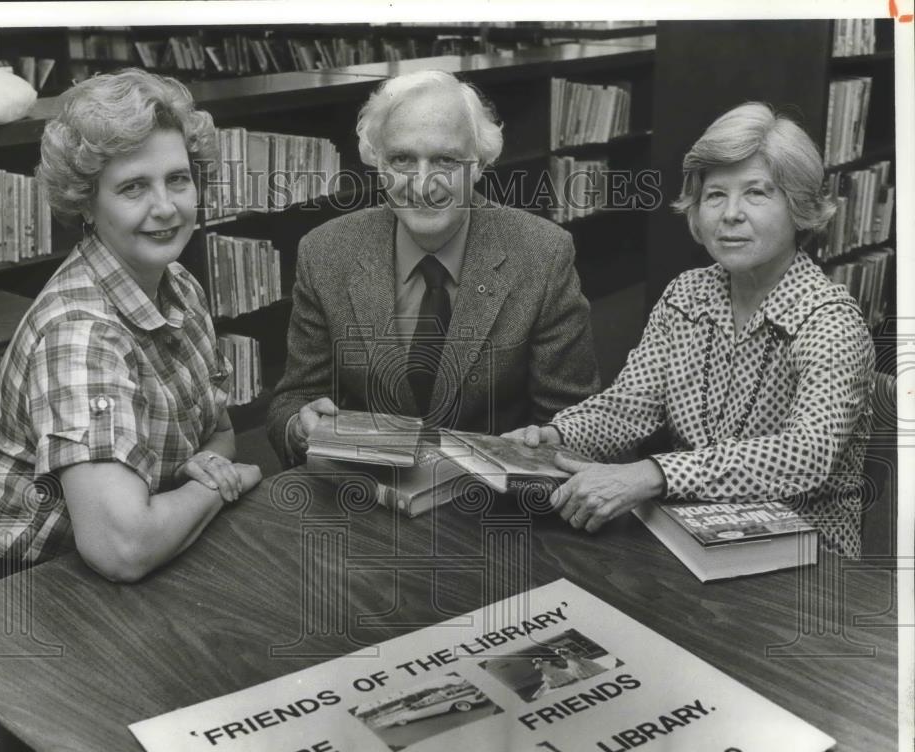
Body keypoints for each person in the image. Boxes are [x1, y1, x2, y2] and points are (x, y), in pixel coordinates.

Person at [507, 102, 874, 558]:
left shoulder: (830, 318)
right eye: (715, 195)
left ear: (799, 207)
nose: (731, 214)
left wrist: (654, 475)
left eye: (757, 193)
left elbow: (807, 454)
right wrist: (557, 436)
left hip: (808, 562)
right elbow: (629, 408)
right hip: (689, 534)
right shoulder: (686, 295)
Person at [0, 69, 261, 582]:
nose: (166, 208)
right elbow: (123, 548)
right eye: (134, 187)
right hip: (21, 583)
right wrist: (216, 485)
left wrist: (205, 473)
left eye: (178, 179)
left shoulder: (179, 283)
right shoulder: (80, 334)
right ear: (87, 204)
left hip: (135, 534)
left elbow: (220, 434)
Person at [266, 70, 599, 467]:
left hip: (490, 505)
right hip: (368, 493)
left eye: (446, 160)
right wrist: (300, 427)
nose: (423, 185)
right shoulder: (325, 253)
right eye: (402, 159)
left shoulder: (542, 254)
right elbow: (292, 401)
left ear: (479, 165)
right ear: (377, 162)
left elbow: (575, 423)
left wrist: (535, 456)